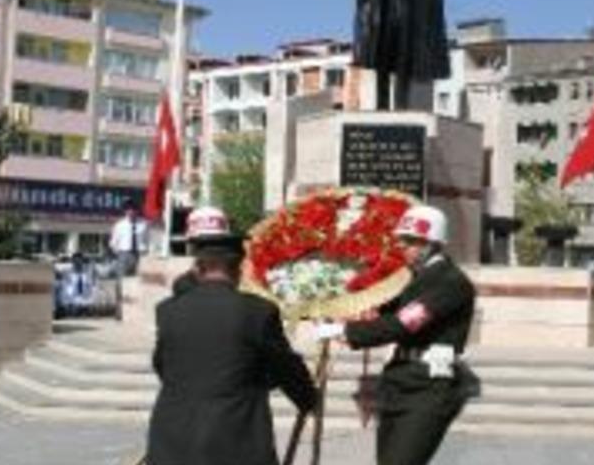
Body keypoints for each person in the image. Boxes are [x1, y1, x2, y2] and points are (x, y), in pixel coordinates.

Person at [147, 207, 318, 465]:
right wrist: (308, 399)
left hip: (174, 442)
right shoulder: (257, 312)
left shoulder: (168, 311)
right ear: (239, 268)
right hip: (235, 442)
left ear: (198, 267)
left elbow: (162, 366)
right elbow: (286, 368)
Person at [317, 204, 477, 465]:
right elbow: (384, 313)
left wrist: (345, 331)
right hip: (399, 376)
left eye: (412, 241)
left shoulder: (451, 281)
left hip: (429, 385)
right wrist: (346, 313)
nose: (404, 246)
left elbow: (403, 324)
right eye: (404, 239)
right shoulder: (409, 278)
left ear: (433, 243)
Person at [354, 0, 451, 110]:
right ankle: (382, 104)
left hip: (406, 6)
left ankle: (401, 104)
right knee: (382, 57)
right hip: (383, 7)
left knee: (403, 56)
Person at [109, 198, 149, 277]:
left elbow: (148, 240)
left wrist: (145, 251)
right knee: (122, 279)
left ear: (137, 211)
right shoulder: (119, 225)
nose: (131, 212)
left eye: (133, 210)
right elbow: (113, 242)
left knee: (139, 279)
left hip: (139, 255)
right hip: (124, 255)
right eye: (128, 210)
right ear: (125, 211)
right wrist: (119, 253)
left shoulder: (144, 224)